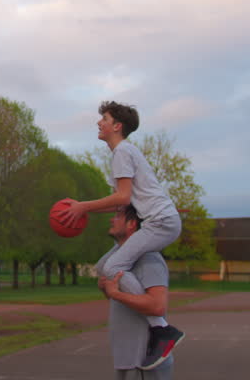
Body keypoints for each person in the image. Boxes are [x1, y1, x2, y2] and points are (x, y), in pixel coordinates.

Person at [59, 100, 183, 369]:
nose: (99, 123)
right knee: (106, 266)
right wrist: (83, 209)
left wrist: (84, 207)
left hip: (160, 222)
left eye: (103, 118)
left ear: (117, 126)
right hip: (158, 221)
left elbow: (123, 196)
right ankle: (158, 326)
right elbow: (122, 203)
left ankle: (161, 329)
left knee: (115, 266)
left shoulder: (122, 152)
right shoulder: (125, 153)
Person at [98, 204, 175, 379]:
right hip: (127, 360)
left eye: (118, 215)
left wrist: (116, 294)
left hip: (146, 363)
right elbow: (124, 303)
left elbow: (157, 306)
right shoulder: (118, 259)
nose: (112, 219)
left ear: (131, 224)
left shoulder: (148, 258)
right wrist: (107, 290)